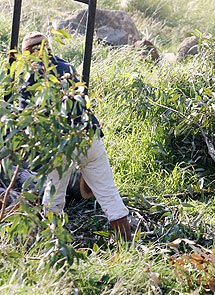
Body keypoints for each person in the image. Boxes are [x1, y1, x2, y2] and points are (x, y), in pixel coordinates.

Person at [19, 31, 132, 241]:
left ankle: (55, 245)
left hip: (61, 143)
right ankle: (128, 246)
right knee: (109, 195)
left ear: (28, 54)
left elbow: (24, 119)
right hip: (89, 135)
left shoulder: (29, 75)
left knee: (53, 201)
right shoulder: (68, 67)